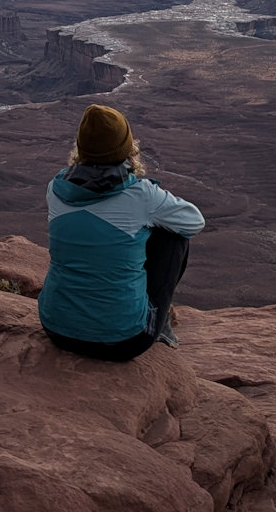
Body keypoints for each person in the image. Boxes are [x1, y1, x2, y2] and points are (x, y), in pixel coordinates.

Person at [38, 104, 204, 359]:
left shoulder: (56, 188)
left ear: (80, 148)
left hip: (56, 329)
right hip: (124, 340)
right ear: (127, 148)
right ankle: (158, 321)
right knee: (173, 236)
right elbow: (194, 222)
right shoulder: (142, 195)